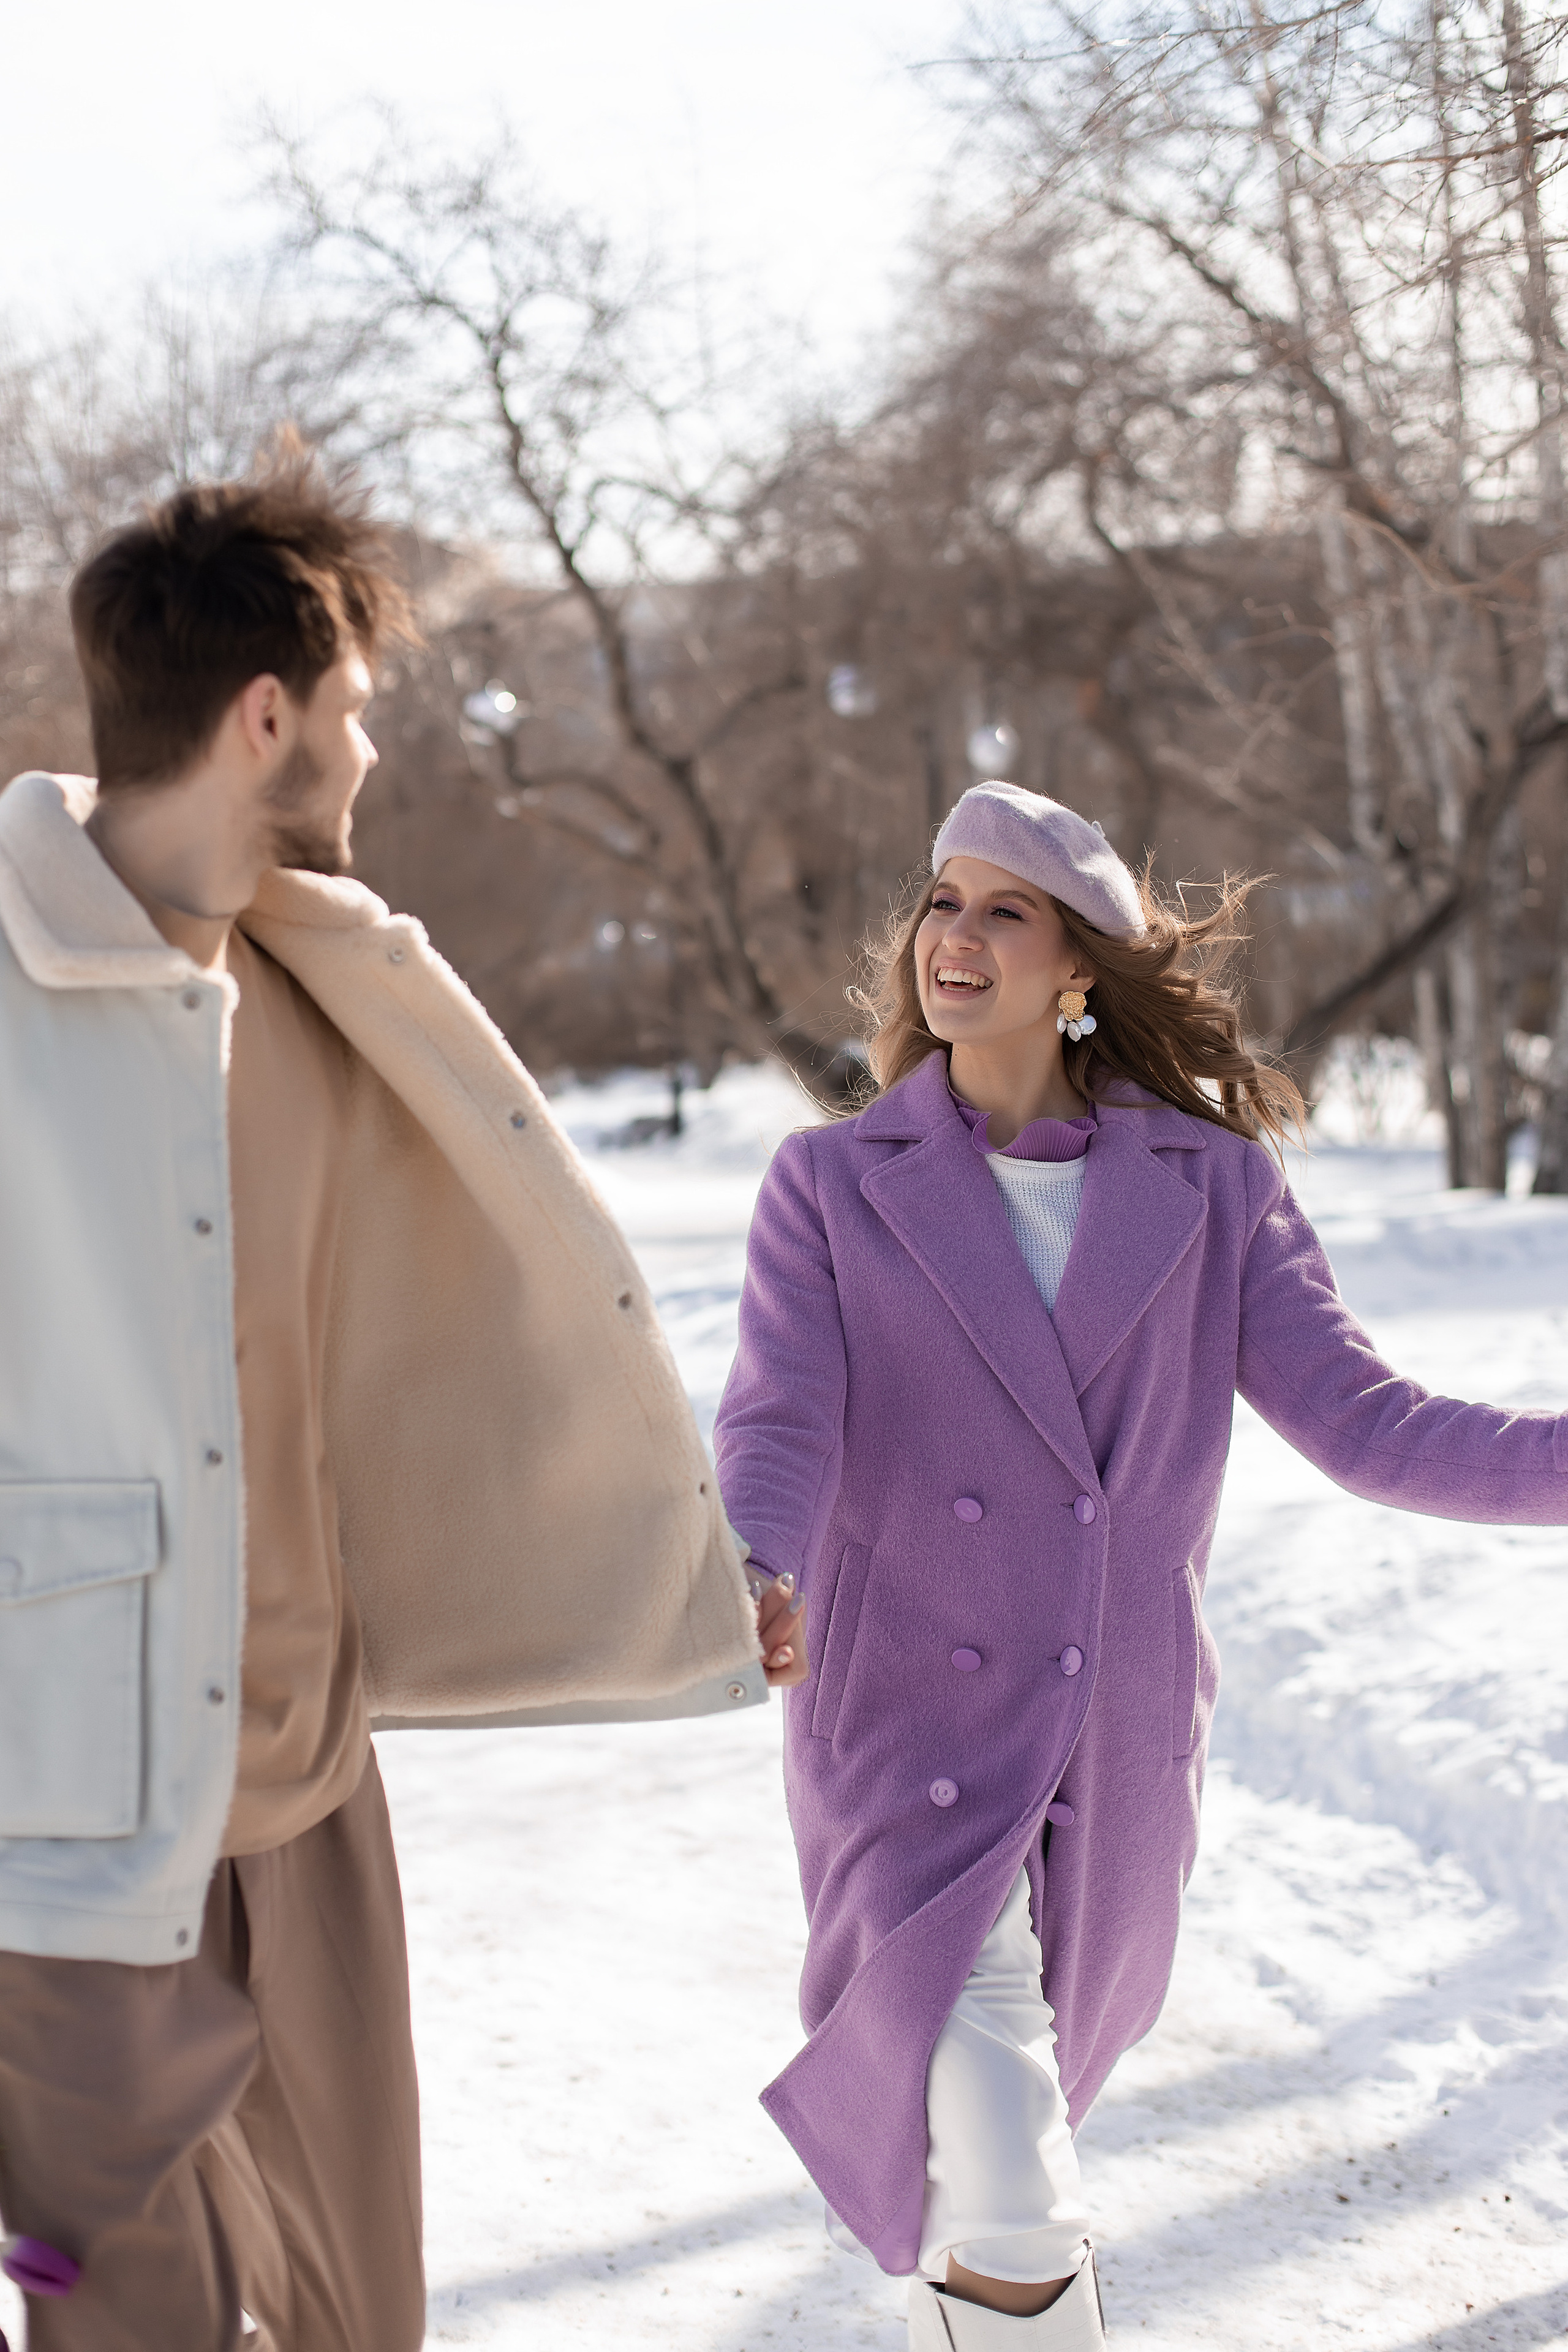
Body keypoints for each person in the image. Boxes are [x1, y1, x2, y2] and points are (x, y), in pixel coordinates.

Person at [0, 438, 791, 2352]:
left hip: (307, 1781)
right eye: (353, 713)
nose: (372, 756)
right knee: (137, 2321)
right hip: (61, 1829)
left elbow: (472, 1359)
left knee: (363, 2319)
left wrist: (689, 1594)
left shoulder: (328, 977)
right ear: (264, 715)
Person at [713, 779, 1568, 2352]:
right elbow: (778, 1418)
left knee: (1000, 2157)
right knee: (1005, 2163)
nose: (950, 937)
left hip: (1109, 1741)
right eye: (939, 902)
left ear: (1077, 970)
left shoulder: (1211, 1187)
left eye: (1001, 911)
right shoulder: (831, 1188)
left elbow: (1367, 1426)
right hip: (904, 1728)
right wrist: (751, 1562)